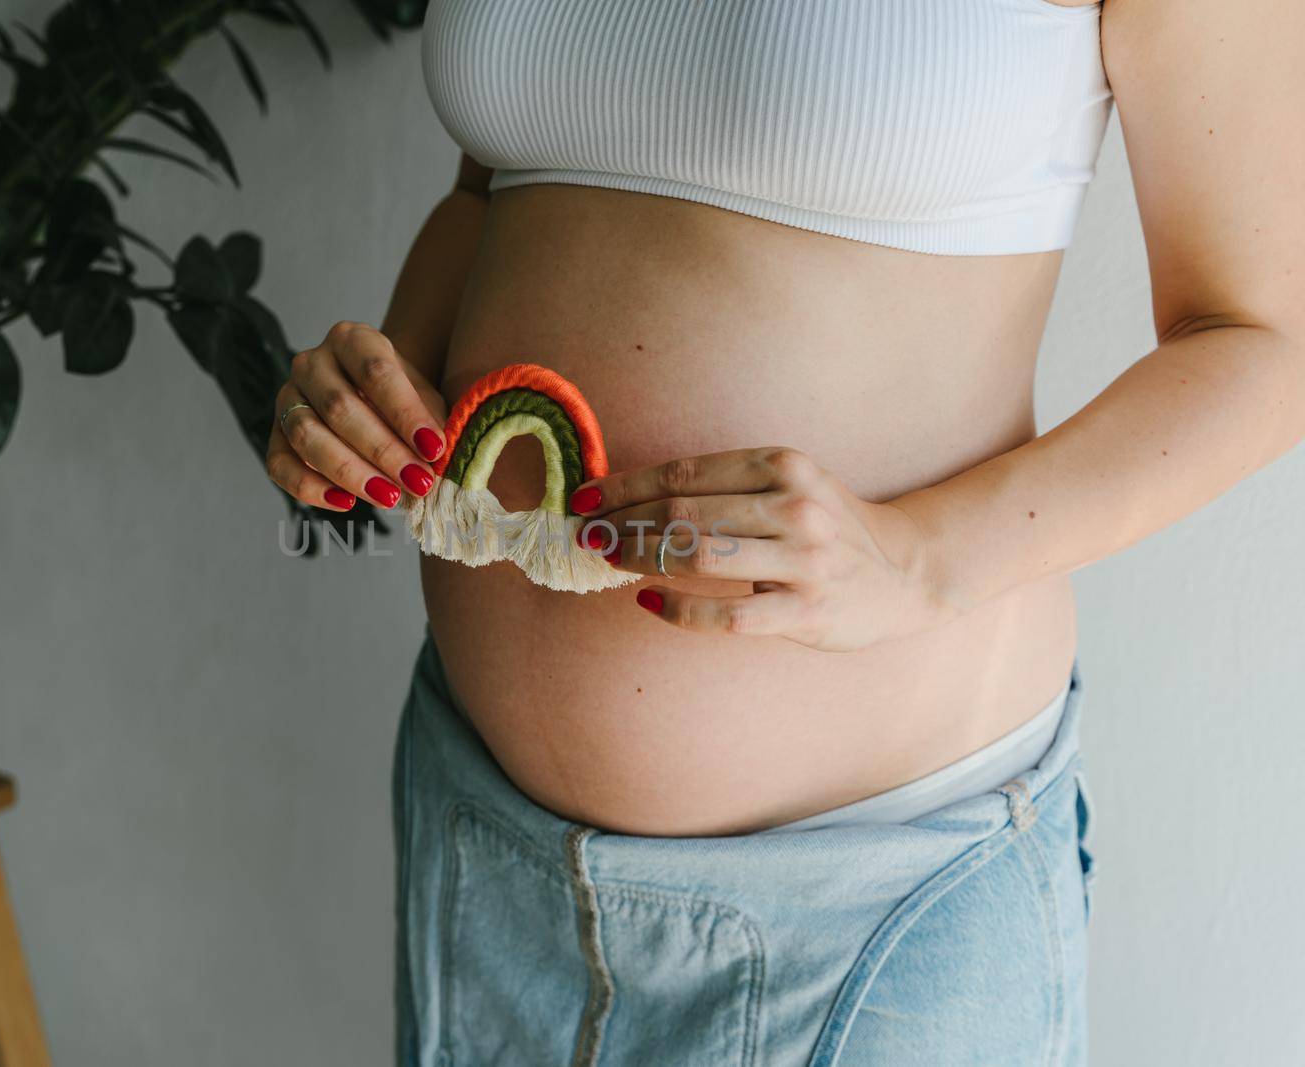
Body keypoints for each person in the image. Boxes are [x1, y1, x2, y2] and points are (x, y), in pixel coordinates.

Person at [266, 0, 1305, 1062]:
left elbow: (1262, 341)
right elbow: (489, 192)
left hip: (871, 909)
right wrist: (373, 400)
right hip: (485, 848)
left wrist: (920, 555)